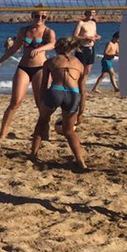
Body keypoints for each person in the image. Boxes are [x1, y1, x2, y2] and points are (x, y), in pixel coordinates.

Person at [0, 7, 55, 138]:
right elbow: (14, 48)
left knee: (40, 103)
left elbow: (52, 44)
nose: (40, 19)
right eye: (37, 16)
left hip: (40, 68)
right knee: (15, 102)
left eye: (43, 17)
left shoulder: (48, 31)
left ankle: (44, 132)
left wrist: (40, 49)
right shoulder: (24, 30)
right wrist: (0, 61)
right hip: (24, 67)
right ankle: (3, 133)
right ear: (32, 16)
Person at [32, 36, 87, 169]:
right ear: (72, 49)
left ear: (56, 48)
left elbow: (43, 85)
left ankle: (33, 154)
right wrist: (80, 112)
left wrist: (41, 103)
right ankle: (81, 161)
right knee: (69, 131)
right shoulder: (80, 64)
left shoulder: (50, 62)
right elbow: (83, 91)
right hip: (73, 94)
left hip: (55, 92)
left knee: (42, 122)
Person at [72, 8, 100, 84]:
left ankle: (83, 86)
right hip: (82, 47)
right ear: (86, 13)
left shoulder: (93, 23)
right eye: (90, 12)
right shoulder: (81, 23)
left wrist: (97, 36)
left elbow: (94, 33)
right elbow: (75, 36)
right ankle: (77, 86)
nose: (91, 14)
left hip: (91, 47)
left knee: (88, 70)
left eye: (93, 13)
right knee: (80, 69)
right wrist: (87, 38)